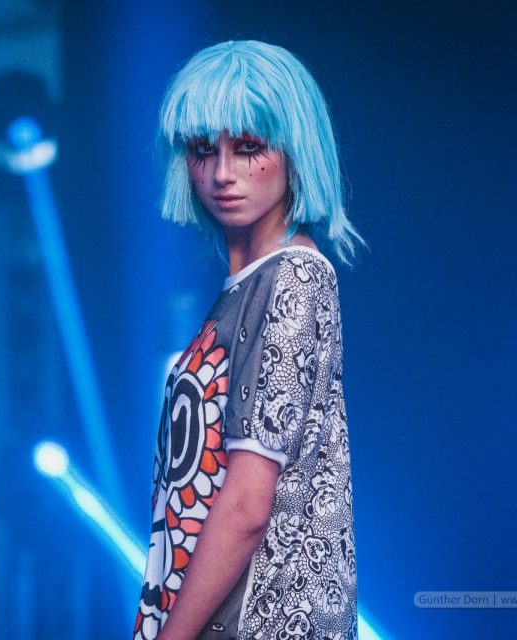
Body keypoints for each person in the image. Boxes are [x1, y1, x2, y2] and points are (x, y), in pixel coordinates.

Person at [133, 40, 366, 640]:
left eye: (248, 147)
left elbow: (245, 506)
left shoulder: (293, 278)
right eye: (202, 150)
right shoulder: (247, 286)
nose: (221, 173)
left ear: (296, 149)